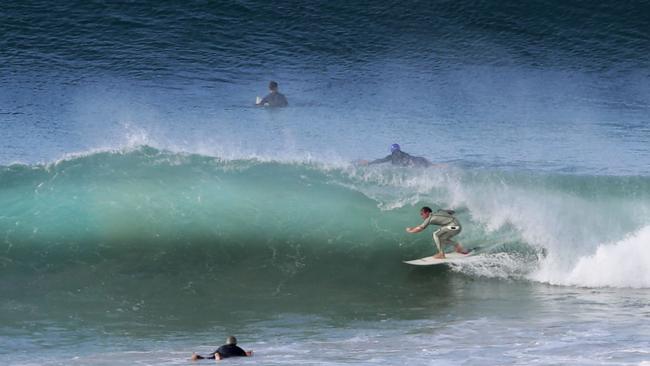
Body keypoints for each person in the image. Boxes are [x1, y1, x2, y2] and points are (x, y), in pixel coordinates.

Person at [365, 144, 433, 167]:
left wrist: (370, 163)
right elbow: (412, 158)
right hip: (410, 161)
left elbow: (381, 160)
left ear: (392, 150)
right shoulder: (403, 153)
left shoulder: (391, 156)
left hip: (400, 166)